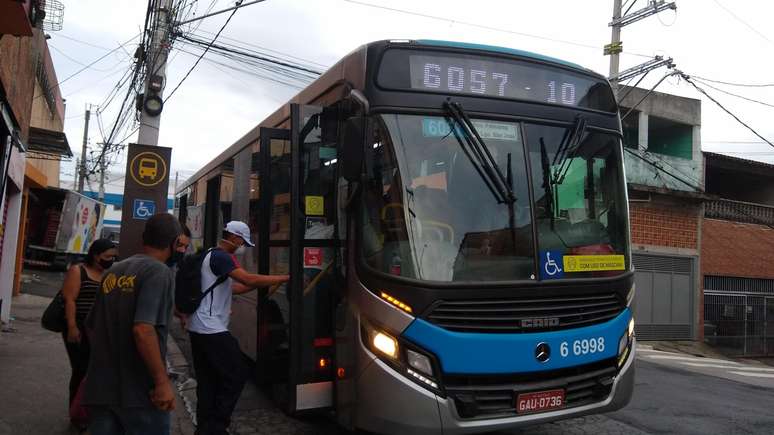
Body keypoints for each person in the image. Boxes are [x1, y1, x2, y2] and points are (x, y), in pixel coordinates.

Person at [82, 213, 184, 435]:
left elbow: (91, 326)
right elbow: (143, 329)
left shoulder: (112, 271)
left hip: (101, 390)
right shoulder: (159, 272)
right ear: (175, 243)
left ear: (143, 239)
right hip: (140, 394)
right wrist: (162, 382)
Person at [187, 221, 289, 435]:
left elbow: (237, 287)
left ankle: (205, 427)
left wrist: (268, 282)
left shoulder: (209, 255)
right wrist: (285, 277)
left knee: (207, 380)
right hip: (211, 329)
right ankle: (216, 426)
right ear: (234, 238)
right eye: (243, 241)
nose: (243, 246)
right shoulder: (222, 257)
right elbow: (247, 278)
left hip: (198, 328)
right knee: (237, 373)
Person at [61, 239, 118, 424]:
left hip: (97, 330)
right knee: (80, 370)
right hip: (78, 328)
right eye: (107, 256)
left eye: (113, 257)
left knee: (93, 372)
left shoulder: (108, 274)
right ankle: (76, 415)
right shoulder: (78, 271)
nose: (110, 260)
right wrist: (71, 327)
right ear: (96, 255)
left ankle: (88, 412)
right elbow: (69, 300)